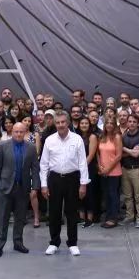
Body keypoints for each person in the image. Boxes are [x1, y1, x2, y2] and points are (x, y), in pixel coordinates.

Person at [40, 110, 89, 256]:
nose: (60, 125)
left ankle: (72, 243)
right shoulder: (49, 140)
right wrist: (44, 185)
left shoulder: (77, 139)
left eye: (63, 122)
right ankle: (54, 242)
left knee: (72, 212)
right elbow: (44, 164)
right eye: (58, 122)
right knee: (54, 212)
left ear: (68, 123)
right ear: (55, 124)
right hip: (54, 179)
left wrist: (83, 184)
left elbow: (82, 163)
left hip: (72, 179)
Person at [0, 122, 40, 257]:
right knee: (2, 218)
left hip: (22, 188)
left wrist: (35, 187)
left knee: (20, 218)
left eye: (21, 132)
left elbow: (35, 169)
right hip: (5, 188)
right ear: (12, 132)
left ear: (25, 132)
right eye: (16, 132)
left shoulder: (31, 148)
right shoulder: (3, 146)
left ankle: (18, 243)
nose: (18, 134)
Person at [95, 117, 122, 228]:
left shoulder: (117, 137)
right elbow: (97, 153)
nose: (109, 125)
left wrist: (108, 169)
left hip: (114, 171)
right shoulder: (101, 136)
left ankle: (113, 218)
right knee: (106, 195)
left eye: (112, 123)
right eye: (107, 123)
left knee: (113, 195)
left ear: (115, 125)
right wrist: (99, 166)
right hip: (103, 171)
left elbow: (119, 155)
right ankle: (108, 215)